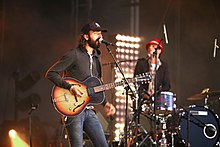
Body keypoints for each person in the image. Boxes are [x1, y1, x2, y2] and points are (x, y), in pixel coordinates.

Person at [45, 21, 116, 147]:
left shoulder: (96, 57)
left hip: (89, 110)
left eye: (100, 33)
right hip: (73, 110)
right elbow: (51, 73)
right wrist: (70, 87)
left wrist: (105, 103)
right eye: (95, 33)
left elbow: (96, 84)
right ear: (86, 36)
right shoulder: (74, 54)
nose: (99, 36)